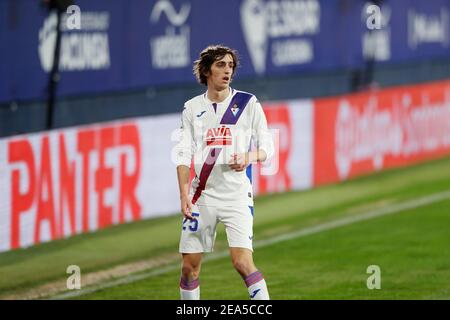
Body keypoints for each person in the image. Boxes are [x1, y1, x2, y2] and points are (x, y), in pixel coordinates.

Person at [175, 45, 274, 300]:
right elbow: (183, 154)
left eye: (230, 65)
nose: (227, 70)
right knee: (189, 268)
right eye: (221, 65)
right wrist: (184, 194)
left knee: (242, 262)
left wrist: (249, 157)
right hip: (201, 196)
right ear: (207, 71)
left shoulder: (247, 103)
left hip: (236, 195)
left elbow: (267, 148)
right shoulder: (191, 108)